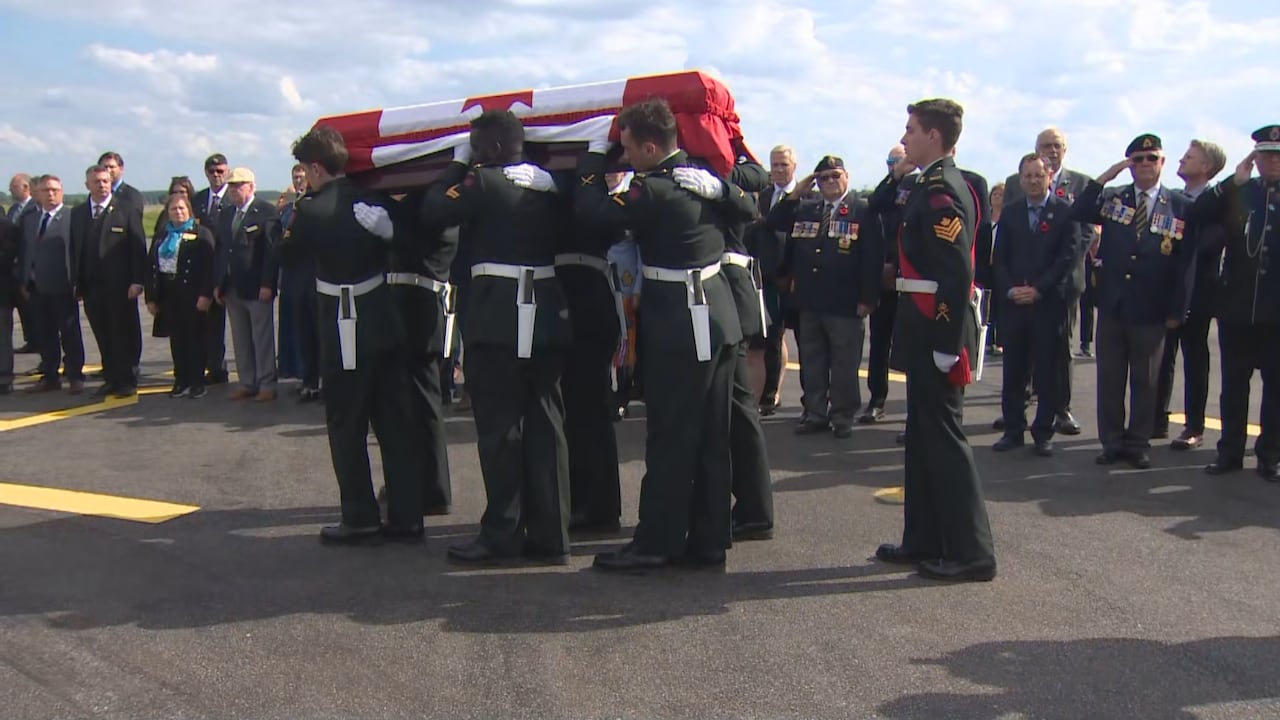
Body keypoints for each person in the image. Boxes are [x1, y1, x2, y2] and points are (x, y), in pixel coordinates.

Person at [576, 98, 757, 572]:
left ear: (651, 147)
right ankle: (708, 540)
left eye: (628, 148)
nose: (625, 156)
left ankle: (656, 542)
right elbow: (748, 204)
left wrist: (591, 159)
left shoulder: (653, 189)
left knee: (670, 435)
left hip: (682, 321)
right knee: (711, 434)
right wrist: (722, 188)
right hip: (716, 318)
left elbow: (592, 212)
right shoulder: (699, 178)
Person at [420, 110, 573, 565]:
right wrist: (555, 179)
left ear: (495, 148)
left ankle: (502, 533)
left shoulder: (483, 183)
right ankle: (552, 535)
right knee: (547, 423)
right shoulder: (552, 187)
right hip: (545, 313)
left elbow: (433, 209)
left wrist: (455, 165)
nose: (474, 153)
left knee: (500, 429)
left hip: (498, 317)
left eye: (477, 146)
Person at [281, 124, 424, 544]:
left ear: (315, 168)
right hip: (382, 318)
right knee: (395, 422)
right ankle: (407, 515)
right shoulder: (373, 200)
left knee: (347, 425)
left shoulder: (311, 210)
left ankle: (360, 516)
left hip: (342, 325)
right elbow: (412, 244)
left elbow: (285, 255)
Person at [872, 98, 996, 583]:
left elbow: (955, 271)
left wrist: (947, 341)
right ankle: (923, 537)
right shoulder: (927, 182)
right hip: (922, 322)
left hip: (936, 324)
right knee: (923, 438)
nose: (905, 137)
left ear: (934, 136)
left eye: (911, 130)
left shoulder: (944, 189)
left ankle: (971, 552)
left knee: (944, 441)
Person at [1071, 134, 1194, 470]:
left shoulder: (1179, 204)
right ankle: (1111, 442)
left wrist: (1178, 309)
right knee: (1110, 380)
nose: (1144, 165)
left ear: (1162, 162)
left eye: (1151, 158)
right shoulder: (1114, 197)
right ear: (1129, 164)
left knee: (1146, 380)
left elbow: (1186, 262)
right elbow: (1079, 211)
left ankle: (1138, 443)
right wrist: (1106, 176)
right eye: (1137, 159)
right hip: (1114, 305)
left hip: (1153, 308)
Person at [767, 155, 879, 438]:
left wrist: (868, 298)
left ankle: (842, 416)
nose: (829, 182)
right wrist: (798, 191)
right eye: (823, 178)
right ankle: (815, 413)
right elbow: (774, 221)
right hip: (810, 299)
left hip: (846, 301)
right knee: (812, 361)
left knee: (844, 364)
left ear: (847, 176)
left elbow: (873, 258)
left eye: (835, 175)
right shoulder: (807, 207)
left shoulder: (862, 209)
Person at [1196, 126, 1280, 481]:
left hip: (1276, 312)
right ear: (1255, 158)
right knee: (1233, 386)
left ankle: (1270, 456)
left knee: (1276, 389)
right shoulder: (1240, 191)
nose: (1273, 161)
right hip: (1237, 308)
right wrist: (1233, 181)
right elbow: (1198, 213)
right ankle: (1229, 452)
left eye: (1278, 156)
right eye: (1267, 155)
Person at [992, 154, 1082, 457]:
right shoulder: (1011, 212)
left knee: (1047, 372)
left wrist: (1038, 289)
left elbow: (1068, 258)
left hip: (1047, 304)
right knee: (1013, 372)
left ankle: (1043, 432)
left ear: (1049, 177)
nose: (1033, 181)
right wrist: (1010, 289)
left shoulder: (1065, 212)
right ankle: (1013, 430)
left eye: (1038, 175)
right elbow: (999, 258)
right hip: (1014, 304)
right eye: (1027, 176)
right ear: (1020, 179)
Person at [381, 184, 457, 516]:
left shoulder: (436, 208)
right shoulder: (431, 204)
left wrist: (390, 223)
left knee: (423, 402)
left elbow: (417, 241)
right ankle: (423, 484)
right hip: (417, 304)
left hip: (419, 306)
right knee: (417, 402)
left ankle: (432, 489)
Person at [1154, 140, 1227, 448]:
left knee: (1195, 358)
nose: (1182, 160)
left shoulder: (1217, 205)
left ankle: (1194, 426)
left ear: (1206, 166)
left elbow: (1206, 246)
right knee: (1161, 357)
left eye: (1190, 157)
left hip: (1198, 291)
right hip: (1166, 289)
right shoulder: (1171, 199)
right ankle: (1156, 420)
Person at [72, 164, 146, 398]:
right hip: (92, 288)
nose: (102, 185)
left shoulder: (125, 210)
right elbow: (75, 250)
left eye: (106, 181)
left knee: (122, 334)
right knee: (103, 335)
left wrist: (137, 280)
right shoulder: (78, 213)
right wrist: (77, 283)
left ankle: (127, 380)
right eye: (97, 181)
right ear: (87, 185)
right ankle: (111, 379)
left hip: (121, 287)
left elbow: (138, 248)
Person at [214, 168, 280, 402]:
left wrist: (267, 283)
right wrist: (218, 283)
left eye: (238, 185)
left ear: (251, 186)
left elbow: (271, 252)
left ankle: (267, 383)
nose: (233, 190)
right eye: (231, 186)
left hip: (256, 285)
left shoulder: (266, 212)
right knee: (240, 338)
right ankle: (247, 381)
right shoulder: (226, 214)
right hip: (232, 286)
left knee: (261, 337)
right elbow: (222, 251)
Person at [145, 193, 216, 398]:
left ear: (189, 210)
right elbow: (150, 267)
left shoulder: (201, 233)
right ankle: (181, 379)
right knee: (176, 339)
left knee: (195, 338)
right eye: (173, 209)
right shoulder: (162, 234)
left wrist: (205, 295)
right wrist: (151, 297)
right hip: (168, 293)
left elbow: (208, 267)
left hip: (192, 293)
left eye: (182, 208)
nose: (178, 212)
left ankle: (196, 381)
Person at [22, 175, 85, 394]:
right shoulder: (30, 219)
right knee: (45, 333)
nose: (50, 194)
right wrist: (24, 279)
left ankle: (75, 375)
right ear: (37, 194)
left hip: (63, 286)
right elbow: (25, 251)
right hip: (36, 287)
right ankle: (50, 376)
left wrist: (77, 282)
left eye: (55, 190)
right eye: (45, 190)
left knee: (69, 333)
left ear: (61, 192)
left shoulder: (71, 217)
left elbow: (78, 252)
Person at [193, 153, 232, 385]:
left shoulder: (233, 197)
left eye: (220, 171)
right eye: (212, 171)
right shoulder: (198, 199)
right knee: (211, 324)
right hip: (205, 268)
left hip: (228, 267)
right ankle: (215, 367)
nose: (216, 175)